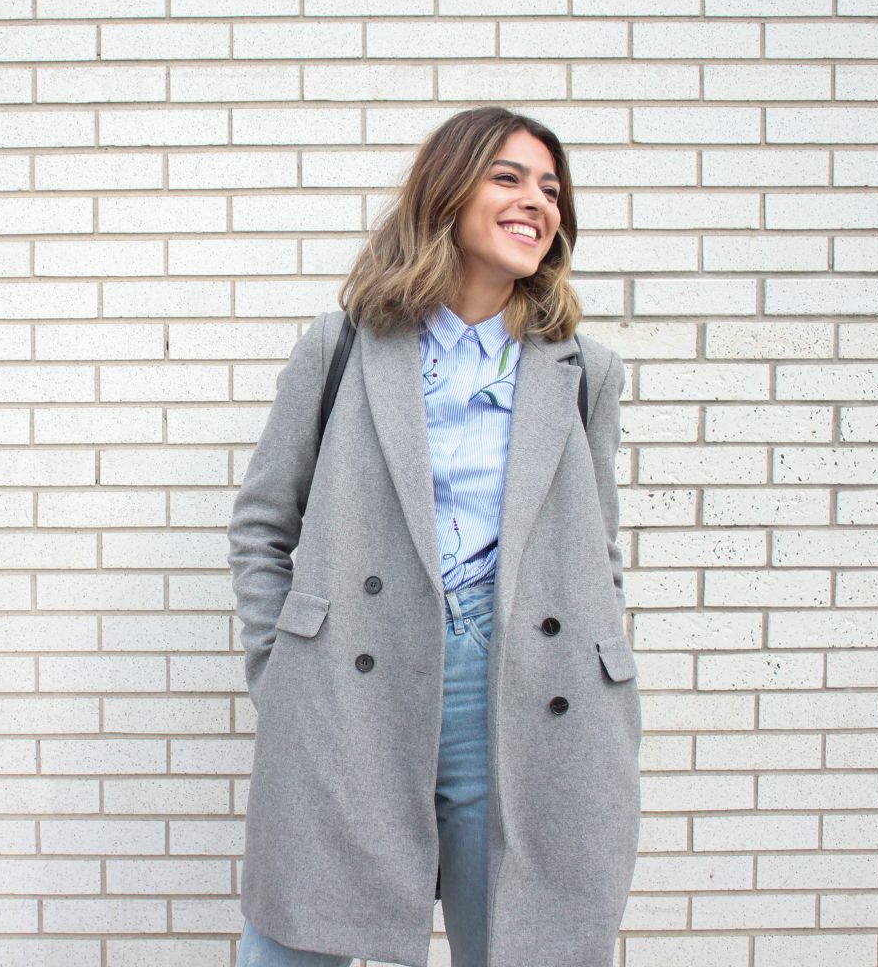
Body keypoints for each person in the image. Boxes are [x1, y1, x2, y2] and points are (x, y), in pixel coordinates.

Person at [227, 106, 642, 967]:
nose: (538, 201)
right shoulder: (344, 344)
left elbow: (595, 548)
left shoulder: (582, 371)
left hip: (530, 688)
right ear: (447, 192)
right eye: (510, 177)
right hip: (351, 682)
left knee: (525, 948)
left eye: (552, 188)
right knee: (293, 943)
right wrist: (284, 673)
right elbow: (265, 522)